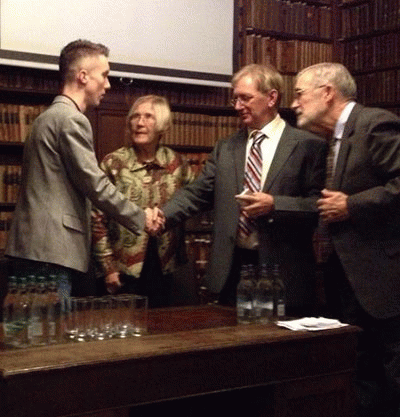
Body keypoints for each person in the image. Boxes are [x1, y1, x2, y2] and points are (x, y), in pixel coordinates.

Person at [162, 63, 326, 315]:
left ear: (272, 97)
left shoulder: (308, 145)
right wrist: (161, 216)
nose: (238, 106)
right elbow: (197, 193)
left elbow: (318, 206)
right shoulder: (226, 148)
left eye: (245, 98)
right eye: (235, 99)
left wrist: (275, 205)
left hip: (284, 271)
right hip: (233, 271)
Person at [5, 39, 163, 296]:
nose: (108, 84)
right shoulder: (71, 119)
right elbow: (95, 185)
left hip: (34, 249)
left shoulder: (46, 117)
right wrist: (140, 216)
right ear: (82, 77)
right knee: (48, 332)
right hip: (51, 253)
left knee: (28, 331)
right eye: (105, 75)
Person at [291, 62, 400, 417]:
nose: (294, 104)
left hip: (384, 284)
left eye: (298, 94)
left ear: (327, 92)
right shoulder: (332, 140)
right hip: (349, 283)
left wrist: (352, 205)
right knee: (363, 375)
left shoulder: (374, 124)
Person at [92, 95, 195, 307]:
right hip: (123, 270)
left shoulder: (178, 164)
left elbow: (195, 202)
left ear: (163, 126)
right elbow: (96, 220)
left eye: (149, 117)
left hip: (166, 268)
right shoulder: (113, 163)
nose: (139, 123)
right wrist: (107, 267)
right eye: (135, 117)